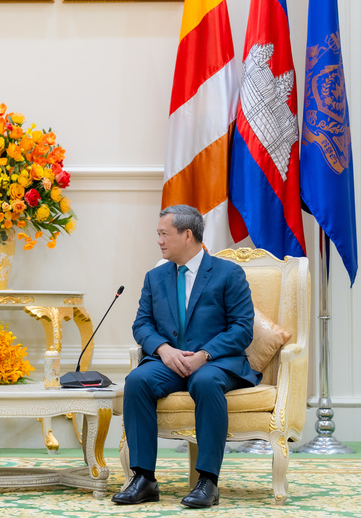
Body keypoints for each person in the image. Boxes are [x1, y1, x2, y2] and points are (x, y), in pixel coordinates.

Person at [113, 205, 257, 509]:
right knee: (137, 380)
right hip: (169, 362)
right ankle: (144, 478)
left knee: (205, 382)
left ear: (187, 234)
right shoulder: (155, 277)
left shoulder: (228, 274)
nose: (159, 241)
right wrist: (164, 350)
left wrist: (204, 355)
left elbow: (243, 329)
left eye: (164, 234)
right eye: (159, 235)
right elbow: (142, 324)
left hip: (215, 362)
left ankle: (207, 481)